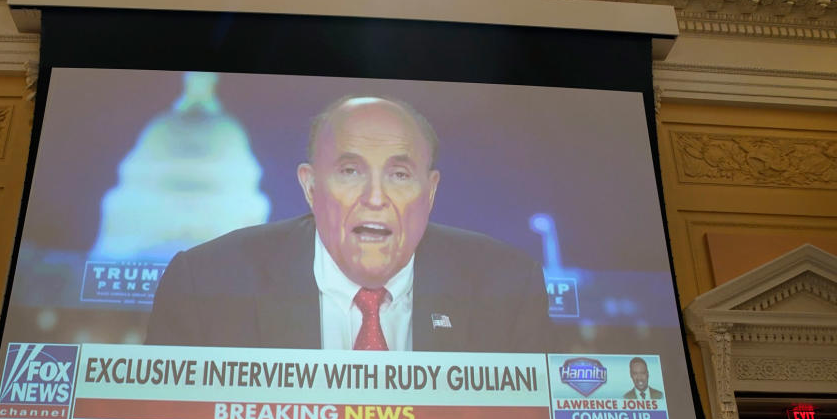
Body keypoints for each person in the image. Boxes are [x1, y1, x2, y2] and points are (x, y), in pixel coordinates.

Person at [146, 95, 552, 354]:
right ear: (310, 186)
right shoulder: (204, 285)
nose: (375, 198)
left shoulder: (508, 288)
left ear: (429, 193)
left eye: (399, 175)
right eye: (350, 170)